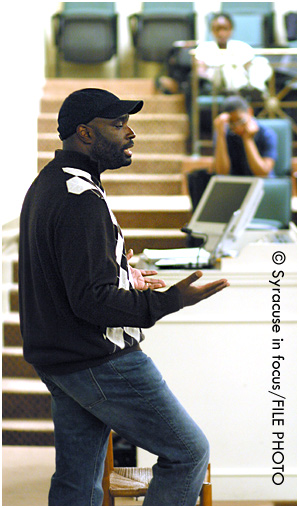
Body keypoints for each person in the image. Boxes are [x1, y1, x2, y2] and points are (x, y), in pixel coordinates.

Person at [18, 88, 229, 506]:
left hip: (62, 357)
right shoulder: (80, 200)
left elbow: (68, 272)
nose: (129, 133)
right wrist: (172, 299)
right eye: (117, 125)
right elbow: (91, 301)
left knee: (78, 481)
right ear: (85, 134)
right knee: (188, 453)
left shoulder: (53, 183)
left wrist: (120, 271)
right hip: (98, 359)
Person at [194, 12, 272, 98]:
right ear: (212, 31)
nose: (221, 33)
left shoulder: (241, 46)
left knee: (261, 62)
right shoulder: (204, 48)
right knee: (227, 67)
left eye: (225, 29)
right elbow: (200, 71)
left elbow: (248, 66)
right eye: (218, 29)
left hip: (241, 78)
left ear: (231, 30)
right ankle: (240, 91)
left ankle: (257, 88)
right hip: (216, 81)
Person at [213, 95, 277, 177]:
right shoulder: (223, 133)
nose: (237, 127)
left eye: (240, 120)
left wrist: (248, 139)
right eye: (231, 123)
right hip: (236, 185)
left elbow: (262, 173)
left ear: (250, 112)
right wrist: (220, 135)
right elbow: (222, 173)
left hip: (263, 185)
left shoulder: (266, 134)